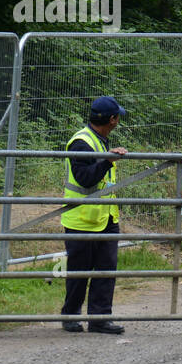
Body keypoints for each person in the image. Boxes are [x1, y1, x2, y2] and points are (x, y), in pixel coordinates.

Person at [59, 96, 128, 334]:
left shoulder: (99, 140)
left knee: (106, 271)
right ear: (112, 120)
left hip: (106, 218)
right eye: (118, 116)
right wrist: (108, 161)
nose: (119, 120)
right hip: (82, 219)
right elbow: (85, 178)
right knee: (79, 273)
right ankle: (70, 316)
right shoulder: (81, 142)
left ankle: (99, 319)